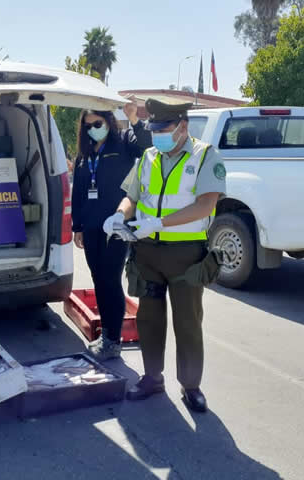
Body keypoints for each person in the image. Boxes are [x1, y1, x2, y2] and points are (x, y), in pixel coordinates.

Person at [103, 99, 227, 413]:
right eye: (154, 129)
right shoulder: (148, 157)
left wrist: (159, 223)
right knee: (149, 318)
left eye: (163, 129)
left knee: (187, 320)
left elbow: (206, 205)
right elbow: (132, 196)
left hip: (186, 254)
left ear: (183, 127)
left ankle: (191, 386)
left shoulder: (205, 156)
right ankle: (152, 377)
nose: (157, 135)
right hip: (147, 251)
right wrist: (119, 215)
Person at [71, 102, 151, 361]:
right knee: (98, 279)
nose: (93, 129)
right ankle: (106, 334)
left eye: (98, 124)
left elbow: (146, 146)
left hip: (116, 225)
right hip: (91, 227)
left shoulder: (123, 142)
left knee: (110, 279)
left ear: (108, 121)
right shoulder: (84, 154)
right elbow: (78, 191)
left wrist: (134, 119)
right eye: (88, 126)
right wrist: (77, 226)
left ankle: (113, 341)